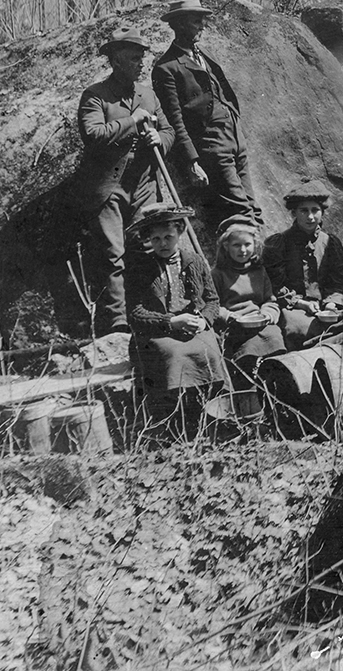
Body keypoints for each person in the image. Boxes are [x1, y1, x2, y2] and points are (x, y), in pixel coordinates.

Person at [74, 32, 170, 336]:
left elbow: (168, 130)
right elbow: (94, 135)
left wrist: (161, 139)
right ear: (115, 60)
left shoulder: (148, 94)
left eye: (141, 57)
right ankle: (118, 324)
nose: (140, 63)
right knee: (112, 254)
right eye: (133, 57)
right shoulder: (95, 95)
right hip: (108, 187)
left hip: (144, 183)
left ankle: (153, 313)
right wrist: (133, 121)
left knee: (148, 249)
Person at [152, 0, 258, 230]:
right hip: (212, 145)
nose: (202, 26)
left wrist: (234, 120)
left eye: (203, 21)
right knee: (240, 209)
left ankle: (260, 262)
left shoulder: (204, 54)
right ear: (179, 25)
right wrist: (192, 161)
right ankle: (245, 261)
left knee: (253, 207)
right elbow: (175, 119)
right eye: (196, 21)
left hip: (235, 138)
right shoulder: (166, 67)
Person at [125, 204, 230, 431]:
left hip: (194, 326)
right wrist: (170, 322)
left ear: (180, 232)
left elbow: (212, 301)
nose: (163, 243)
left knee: (211, 351)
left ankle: (213, 415)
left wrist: (204, 320)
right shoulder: (140, 267)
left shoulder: (196, 261)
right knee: (172, 354)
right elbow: (135, 314)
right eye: (156, 239)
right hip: (158, 332)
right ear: (148, 240)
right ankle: (176, 419)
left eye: (168, 237)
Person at [264, 180, 343, 346]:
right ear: (294, 213)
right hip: (294, 308)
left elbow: (338, 281)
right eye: (304, 211)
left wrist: (331, 303)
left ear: (322, 212)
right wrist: (300, 303)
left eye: (315, 210)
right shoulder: (280, 243)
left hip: (326, 306)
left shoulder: (331, 243)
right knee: (301, 329)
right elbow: (276, 284)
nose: (310, 217)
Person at [212, 218, 288, 366]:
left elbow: (269, 300)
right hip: (233, 325)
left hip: (259, 321)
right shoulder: (217, 274)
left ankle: (272, 375)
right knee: (247, 352)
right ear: (226, 246)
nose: (242, 250)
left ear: (255, 244)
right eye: (236, 245)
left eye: (247, 244)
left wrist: (268, 314)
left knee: (273, 335)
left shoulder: (259, 271)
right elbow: (212, 304)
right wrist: (228, 316)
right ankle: (247, 377)